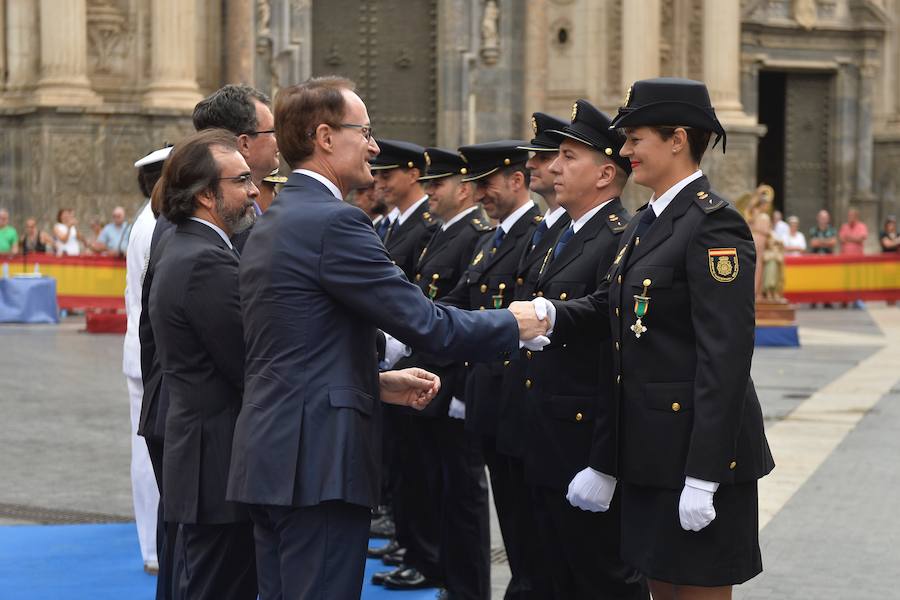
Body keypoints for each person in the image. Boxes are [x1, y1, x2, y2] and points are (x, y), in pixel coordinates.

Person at [225, 76, 545, 600]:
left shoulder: (275, 218)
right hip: (317, 462)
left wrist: (374, 382)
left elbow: (293, 343)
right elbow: (428, 324)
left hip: (272, 452)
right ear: (325, 136)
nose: (374, 148)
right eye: (365, 132)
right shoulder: (335, 223)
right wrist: (517, 323)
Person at [517, 77, 775, 600]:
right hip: (649, 452)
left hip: (696, 454)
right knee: (659, 588)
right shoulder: (646, 222)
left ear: (677, 139)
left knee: (698, 590)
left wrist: (705, 475)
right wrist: (552, 314)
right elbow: (610, 315)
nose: (626, 151)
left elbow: (725, 358)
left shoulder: (713, 225)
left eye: (635, 139)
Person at [516, 99, 647, 600]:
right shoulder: (566, 236)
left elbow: (618, 360)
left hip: (583, 445)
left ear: (605, 174)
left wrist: (604, 462)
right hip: (548, 440)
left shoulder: (618, 238)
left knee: (603, 581)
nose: (554, 167)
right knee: (555, 577)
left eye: (569, 157)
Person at [376, 148, 495, 596]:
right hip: (424, 378)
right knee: (431, 484)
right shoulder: (442, 233)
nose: (429, 192)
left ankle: (460, 581)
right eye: (426, 184)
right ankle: (437, 568)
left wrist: (461, 390)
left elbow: (469, 315)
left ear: (463, 190)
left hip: (451, 384)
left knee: (459, 494)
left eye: (437, 185)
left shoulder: (473, 234)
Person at [148, 129, 260, 600]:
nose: (254, 191)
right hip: (215, 468)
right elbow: (249, 362)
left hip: (204, 463)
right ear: (206, 195)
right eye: (242, 180)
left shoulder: (188, 247)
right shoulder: (205, 262)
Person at [438, 139, 547, 599]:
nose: (479, 194)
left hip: (518, 405)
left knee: (531, 533)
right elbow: (460, 303)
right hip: (489, 406)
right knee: (515, 525)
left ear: (516, 180)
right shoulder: (492, 240)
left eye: (486, 184)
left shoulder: (536, 235)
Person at [123, 146, 171, 577]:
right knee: (150, 452)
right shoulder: (153, 225)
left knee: (149, 449)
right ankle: (154, 546)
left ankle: (153, 542)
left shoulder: (150, 220)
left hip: (144, 353)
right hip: (149, 356)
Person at [192, 84, 280, 212]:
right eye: (271, 132)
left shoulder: (237, 210)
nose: (278, 141)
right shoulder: (225, 216)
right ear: (244, 144)